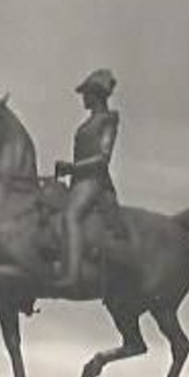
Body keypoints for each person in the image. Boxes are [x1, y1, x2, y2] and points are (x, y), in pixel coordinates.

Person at [53, 68, 120, 290]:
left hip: (95, 183)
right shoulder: (87, 123)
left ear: (96, 94)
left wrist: (72, 168)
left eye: (86, 93)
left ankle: (71, 274)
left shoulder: (108, 120)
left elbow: (103, 159)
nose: (83, 97)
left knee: (71, 215)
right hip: (79, 182)